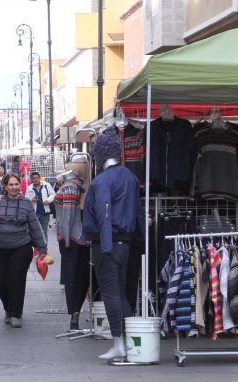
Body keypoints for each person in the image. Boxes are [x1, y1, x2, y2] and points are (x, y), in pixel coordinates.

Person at [84, 128, 143, 360]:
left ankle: (118, 343)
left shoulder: (102, 181)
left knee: (111, 293)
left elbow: (104, 213)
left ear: (99, 155)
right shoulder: (130, 176)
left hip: (107, 244)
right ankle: (126, 343)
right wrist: (141, 240)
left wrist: (106, 245)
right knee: (120, 293)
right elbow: (138, 211)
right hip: (126, 244)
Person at [0, 174, 48, 328]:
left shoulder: (26, 203)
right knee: (0, 279)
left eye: (17, 184)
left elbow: (35, 226)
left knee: (16, 279)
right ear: (5, 185)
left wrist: (42, 247)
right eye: (11, 184)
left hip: (21, 247)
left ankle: (15, 313)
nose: (14, 187)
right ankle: (8, 308)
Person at [54, 156, 91, 331]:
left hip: (72, 239)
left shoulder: (71, 186)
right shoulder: (80, 184)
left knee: (73, 278)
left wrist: (66, 240)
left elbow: (67, 216)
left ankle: (74, 315)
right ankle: (75, 314)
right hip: (80, 238)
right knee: (80, 277)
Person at [25, 172, 55, 242]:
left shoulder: (46, 185)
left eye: (37, 178)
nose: (35, 180)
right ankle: (37, 248)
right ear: (31, 179)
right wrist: (31, 200)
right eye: (33, 178)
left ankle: (44, 248)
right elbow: (25, 200)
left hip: (45, 213)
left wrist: (48, 200)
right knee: (35, 232)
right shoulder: (29, 188)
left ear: (39, 178)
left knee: (44, 231)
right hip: (34, 214)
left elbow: (53, 194)